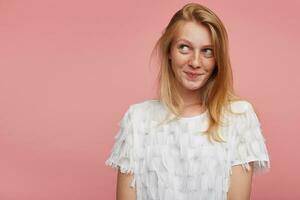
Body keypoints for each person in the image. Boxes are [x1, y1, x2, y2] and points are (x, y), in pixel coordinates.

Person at [105, 2, 270, 200]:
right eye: (184, 48)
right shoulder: (137, 119)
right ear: (169, 52)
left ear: (218, 59)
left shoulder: (238, 117)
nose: (195, 62)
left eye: (207, 51)